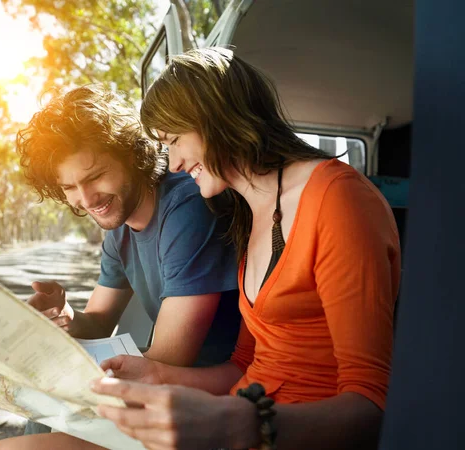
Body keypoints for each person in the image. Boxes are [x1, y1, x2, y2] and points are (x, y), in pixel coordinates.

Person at [90, 47, 401, 450]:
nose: (174, 163)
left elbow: (373, 406)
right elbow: (244, 366)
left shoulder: (336, 199)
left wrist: (242, 424)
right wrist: (159, 376)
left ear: (216, 116)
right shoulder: (249, 214)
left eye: (175, 141)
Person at [0, 84, 241, 449]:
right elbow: (98, 322)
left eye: (94, 178)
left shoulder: (187, 207)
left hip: (205, 397)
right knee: (37, 417)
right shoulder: (118, 231)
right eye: (69, 187)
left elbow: (171, 358)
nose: (86, 199)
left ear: (131, 155)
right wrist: (65, 316)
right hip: (163, 382)